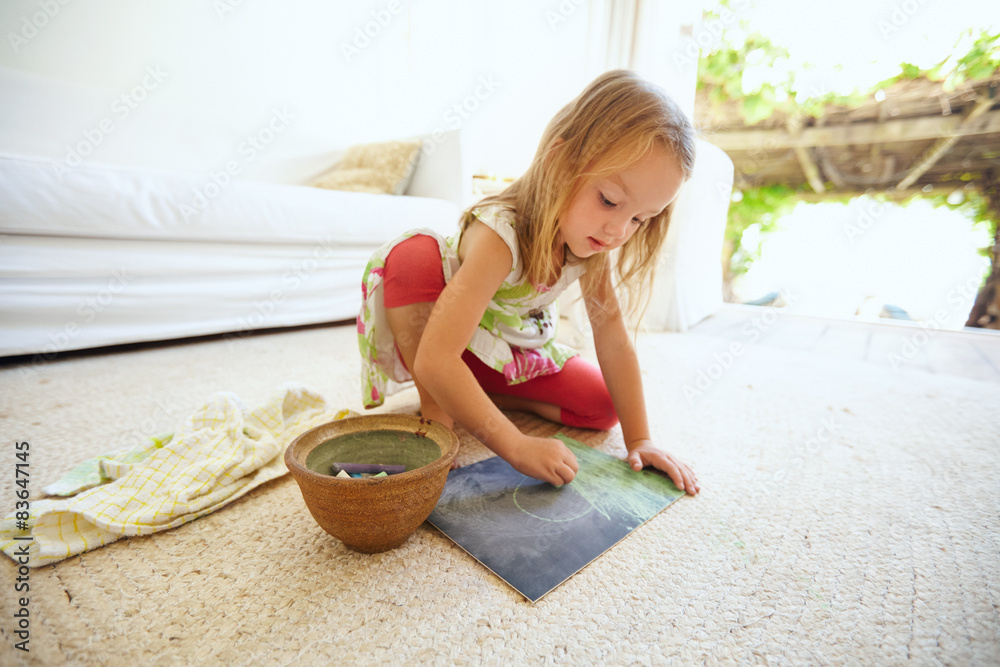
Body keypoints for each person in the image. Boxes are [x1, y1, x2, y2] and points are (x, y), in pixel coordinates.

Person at [357, 69, 700, 495]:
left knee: (602, 406)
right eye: (610, 200)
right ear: (559, 161)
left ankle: (473, 392)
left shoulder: (594, 243)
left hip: (504, 347)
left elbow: (612, 337)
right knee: (412, 256)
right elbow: (435, 357)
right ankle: (438, 414)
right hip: (439, 339)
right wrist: (515, 443)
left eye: (638, 219)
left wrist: (640, 438)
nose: (618, 231)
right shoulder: (500, 234)